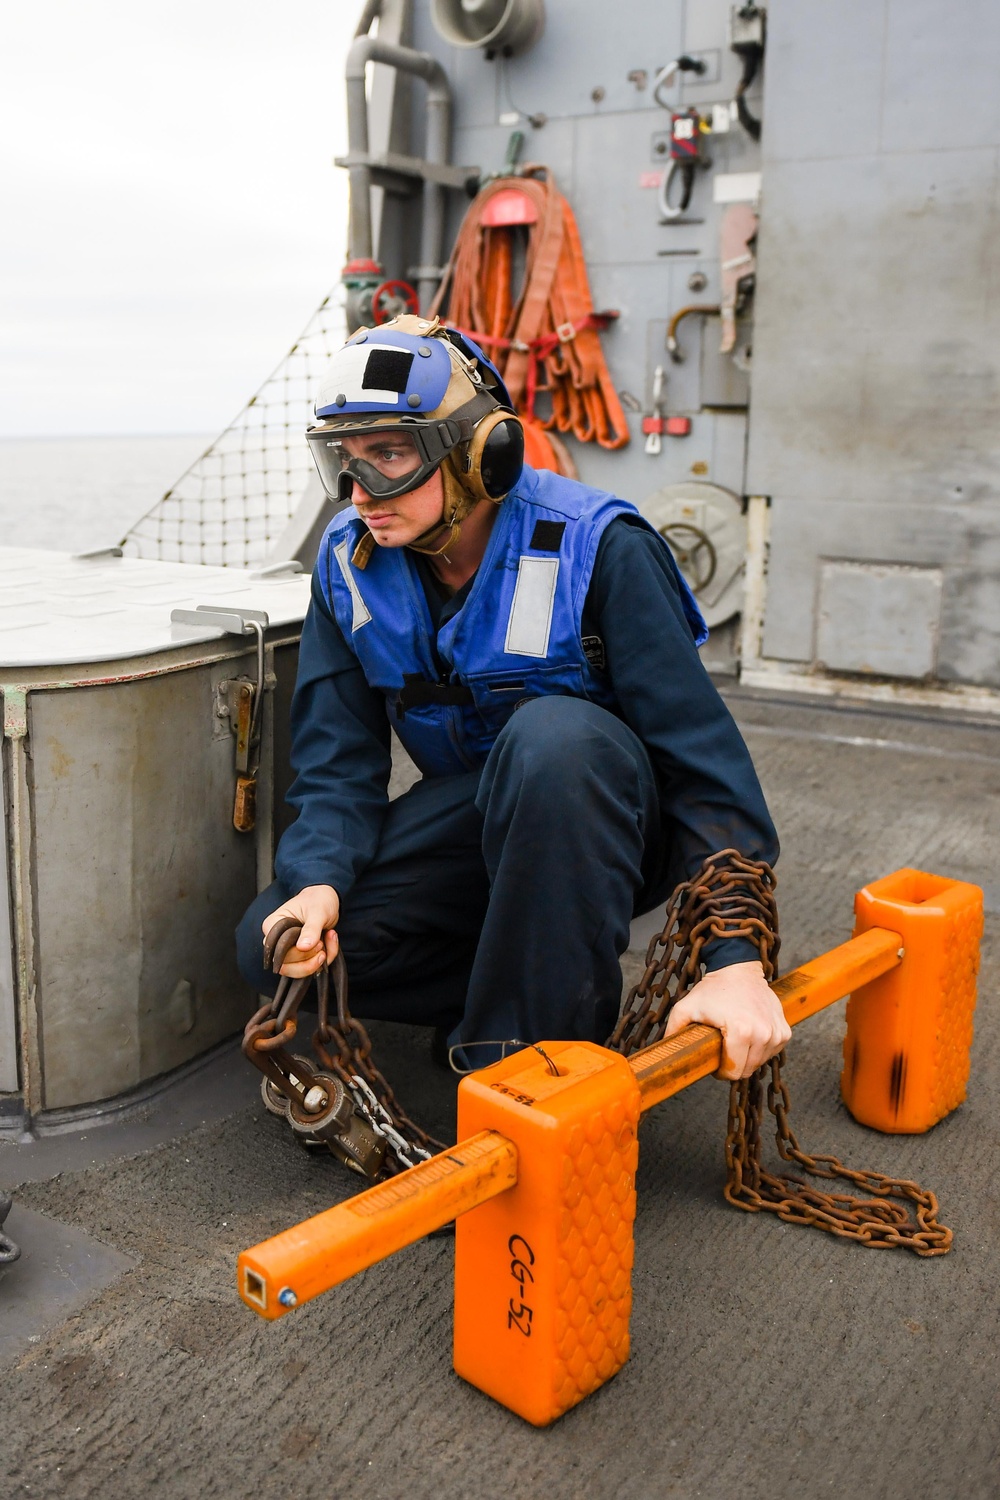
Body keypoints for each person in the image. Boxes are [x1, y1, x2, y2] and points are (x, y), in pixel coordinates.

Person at [236, 314, 789, 1080]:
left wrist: (734, 959)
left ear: (480, 452)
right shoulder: (348, 566)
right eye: (344, 461)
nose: (361, 492)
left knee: (555, 739)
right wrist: (319, 882)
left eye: (390, 456)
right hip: (486, 819)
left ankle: (528, 1062)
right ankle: (513, 985)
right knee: (273, 949)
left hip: (607, 823)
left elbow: (706, 766)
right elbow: (336, 763)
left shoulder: (604, 548)